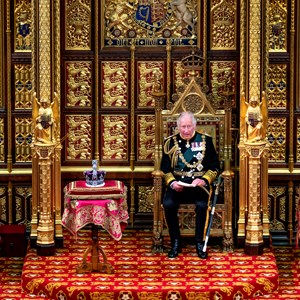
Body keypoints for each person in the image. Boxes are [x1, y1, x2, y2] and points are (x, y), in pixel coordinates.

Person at [161, 111, 219, 259]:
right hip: (178, 185)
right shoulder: (170, 143)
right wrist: (172, 183)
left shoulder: (205, 140)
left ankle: (199, 242)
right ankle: (175, 242)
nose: (186, 130)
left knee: (201, 206)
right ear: (178, 126)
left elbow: (215, 166)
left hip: (198, 185)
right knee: (168, 204)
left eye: (188, 126)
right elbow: (165, 168)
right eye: (183, 127)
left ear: (194, 125)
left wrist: (204, 180)